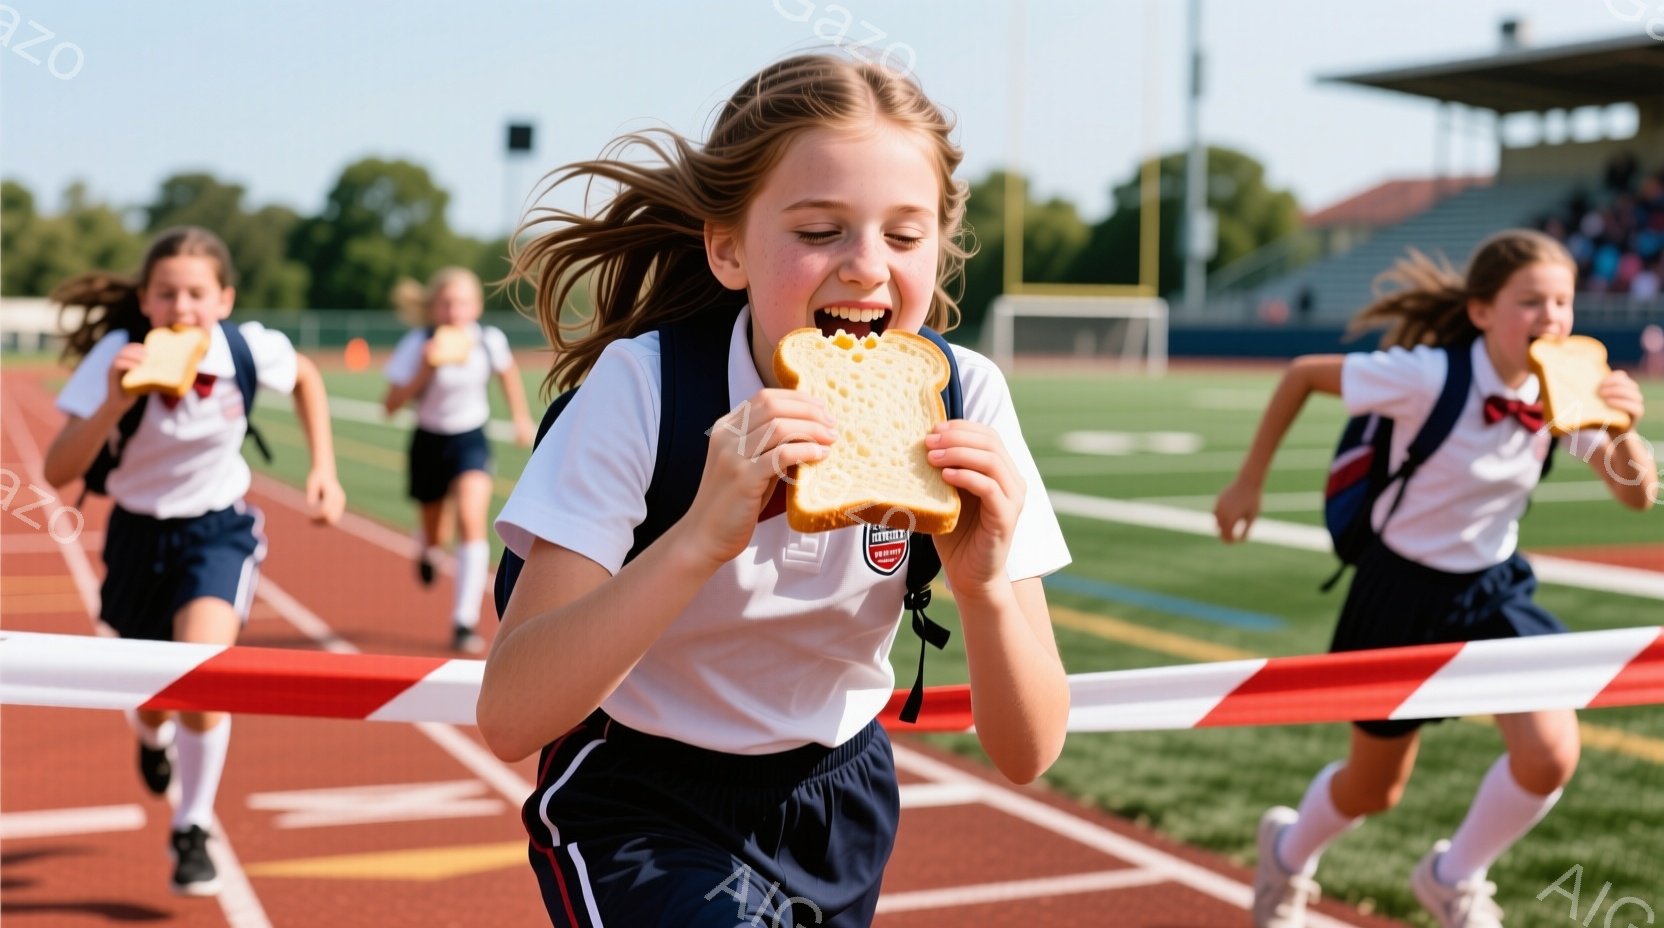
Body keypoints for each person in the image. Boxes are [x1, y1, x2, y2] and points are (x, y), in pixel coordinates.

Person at [477, 53, 1071, 926]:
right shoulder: (646, 389)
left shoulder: (965, 394)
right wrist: (698, 539)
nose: (868, 267)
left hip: (841, 795)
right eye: (820, 230)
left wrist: (981, 589)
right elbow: (512, 713)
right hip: (640, 793)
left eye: (904, 236)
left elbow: (1030, 749)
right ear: (728, 249)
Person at [1213, 229, 1656, 928]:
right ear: (1481, 311)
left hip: (1493, 588)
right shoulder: (1426, 375)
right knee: (1373, 789)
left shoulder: (1565, 390)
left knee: (1549, 755)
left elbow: (1636, 495)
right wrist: (1247, 483)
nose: (1552, 318)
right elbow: (1302, 373)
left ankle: (1452, 878)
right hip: (1399, 591)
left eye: (1564, 302)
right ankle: (1289, 854)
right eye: (1531, 301)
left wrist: (1624, 428)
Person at [42, 225, 346, 896]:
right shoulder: (114, 359)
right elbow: (59, 466)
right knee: (155, 700)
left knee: (205, 680)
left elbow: (307, 377)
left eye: (197, 294)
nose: (183, 308)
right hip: (138, 537)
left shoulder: (248, 348)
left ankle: (193, 824)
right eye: (167, 294)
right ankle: (150, 740)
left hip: (218, 529)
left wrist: (323, 467)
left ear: (225, 298)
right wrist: (117, 401)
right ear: (146, 302)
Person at [383, 267, 533, 654]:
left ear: (476, 306)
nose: (454, 311)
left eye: (463, 302)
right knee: (435, 532)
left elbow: (508, 375)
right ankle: (430, 549)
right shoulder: (418, 343)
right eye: (446, 303)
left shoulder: (487, 340)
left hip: (471, 439)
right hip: (429, 441)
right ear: (434, 307)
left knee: (470, 519)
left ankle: (463, 621)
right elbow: (390, 405)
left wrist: (520, 417)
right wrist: (425, 368)